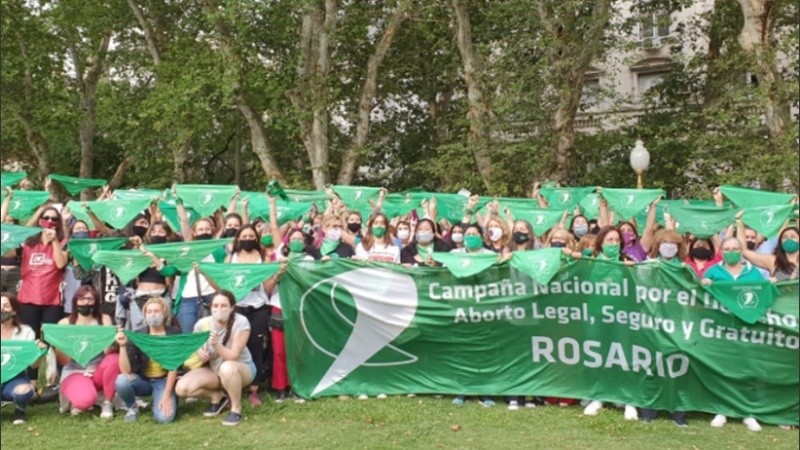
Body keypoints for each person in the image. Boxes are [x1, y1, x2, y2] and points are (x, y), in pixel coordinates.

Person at [701, 237, 764, 431]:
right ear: (721, 251)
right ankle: (722, 410)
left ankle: (748, 412)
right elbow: (701, 298)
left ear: (741, 250)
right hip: (720, 329)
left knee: (747, 370)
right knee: (723, 369)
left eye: (735, 249)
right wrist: (704, 284)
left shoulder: (754, 273)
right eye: (727, 249)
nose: (731, 252)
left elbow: (763, 297)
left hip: (747, 329)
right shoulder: (713, 271)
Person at [175, 290, 255, 426]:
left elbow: (233, 356)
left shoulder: (241, 322)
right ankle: (217, 397)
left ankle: (236, 408)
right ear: (211, 307)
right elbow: (194, 344)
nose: (219, 309)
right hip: (215, 370)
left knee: (227, 367)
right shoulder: (202, 324)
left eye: (224, 306)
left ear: (232, 307)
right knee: (182, 389)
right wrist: (199, 352)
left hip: (241, 369)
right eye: (216, 306)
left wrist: (216, 345)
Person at [17, 206, 68, 387]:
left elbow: (60, 264)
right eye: (46, 217)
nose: (50, 221)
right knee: (31, 340)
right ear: (40, 220)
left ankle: (57, 381)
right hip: (27, 299)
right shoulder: (29, 241)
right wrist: (39, 211)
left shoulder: (63, 242)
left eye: (54, 219)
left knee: (53, 341)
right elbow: (20, 231)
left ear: (59, 223)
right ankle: (31, 381)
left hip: (52, 300)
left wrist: (54, 241)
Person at [56, 286, 119, 418]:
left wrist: (111, 338)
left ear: (96, 302)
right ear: (75, 302)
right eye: (82, 299)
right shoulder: (64, 323)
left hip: (97, 371)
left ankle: (107, 402)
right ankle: (78, 396)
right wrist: (58, 344)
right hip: (75, 371)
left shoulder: (104, 319)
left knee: (114, 359)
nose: (86, 302)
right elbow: (64, 361)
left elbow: (108, 352)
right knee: (84, 401)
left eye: (90, 299)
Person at [225, 225, 271, 406]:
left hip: (258, 308)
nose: (248, 238)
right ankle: (232, 386)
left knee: (256, 348)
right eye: (244, 236)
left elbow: (267, 286)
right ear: (238, 238)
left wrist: (276, 275)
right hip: (237, 309)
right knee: (234, 348)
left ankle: (254, 390)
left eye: (251, 236)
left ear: (256, 238)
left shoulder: (263, 257)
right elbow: (224, 281)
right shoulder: (231, 258)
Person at [114, 296, 179, 423]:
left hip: (164, 380)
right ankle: (132, 408)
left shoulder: (174, 333)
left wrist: (166, 396)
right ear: (144, 315)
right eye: (149, 312)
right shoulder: (138, 335)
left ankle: (169, 397)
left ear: (164, 313)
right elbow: (125, 371)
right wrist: (122, 346)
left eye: (156, 311)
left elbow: (174, 366)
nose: (153, 314)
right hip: (143, 380)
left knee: (164, 419)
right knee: (121, 380)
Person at [1, 292, 46, 425]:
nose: (1, 309)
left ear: (14, 311)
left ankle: (19, 409)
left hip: (15, 378)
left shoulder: (26, 332)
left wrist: (39, 353)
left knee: (24, 390)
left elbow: (33, 365)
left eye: (6, 306)